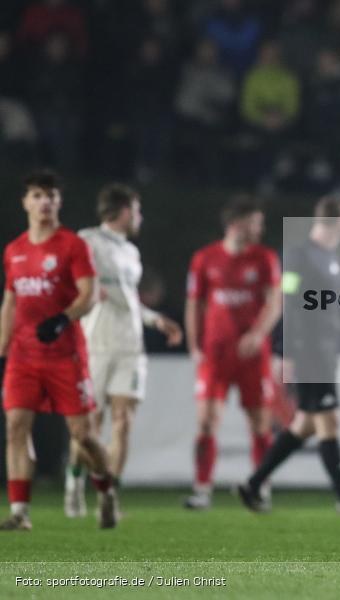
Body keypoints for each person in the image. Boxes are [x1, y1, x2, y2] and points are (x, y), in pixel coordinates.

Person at [236, 195, 340, 514]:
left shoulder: (330, 258)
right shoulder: (298, 256)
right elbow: (287, 303)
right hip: (307, 354)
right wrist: (286, 349)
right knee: (329, 419)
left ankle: (252, 485)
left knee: (305, 424)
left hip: (325, 352)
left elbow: (338, 305)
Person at [0, 169, 118, 530]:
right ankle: (20, 512)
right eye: (37, 195)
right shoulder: (15, 250)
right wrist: (3, 347)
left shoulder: (72, 245)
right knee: (16, 427)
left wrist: (62, 320)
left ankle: (105, 488)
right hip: (23, 357)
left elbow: (88, 293)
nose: (44, 202)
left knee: (83, 436)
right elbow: (10, 301)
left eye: (50, 195)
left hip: (65, 356)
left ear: (59, 202)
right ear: (25, 203)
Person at [64, 183, 183, 517]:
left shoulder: (131, 253)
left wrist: (156, 320)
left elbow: (128, 299)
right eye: (138, 210)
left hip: (131, 346)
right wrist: (85, 289)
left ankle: (109, 495)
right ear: (126, 210)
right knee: (89, 427)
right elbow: (73, 279)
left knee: (124, 421)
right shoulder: (87, 240)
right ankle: (74, 481)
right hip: (96, 344)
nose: (140, 217)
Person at [183, 196, 281, 509]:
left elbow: (275, 301)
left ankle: (260, 488)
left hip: (253, 355)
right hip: (216, 353)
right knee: (206, 422)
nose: (260, 229)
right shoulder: (205, 259)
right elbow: (194, 305)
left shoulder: (265, 259)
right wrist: (194, 345)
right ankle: (201, 490)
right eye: (256, 223)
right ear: (237, 225)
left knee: (260, 424)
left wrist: (257, 334)